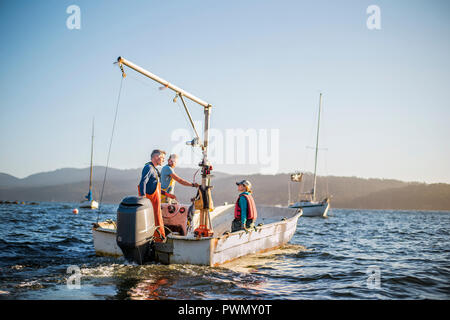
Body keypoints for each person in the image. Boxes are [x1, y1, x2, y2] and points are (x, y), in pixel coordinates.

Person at [138, 149, 174, 242]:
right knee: (153, 221)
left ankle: (159, 239)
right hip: (150, 203)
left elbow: (155, 187)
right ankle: (156, 240)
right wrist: (143, 198)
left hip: (156, 204)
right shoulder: (148, 168)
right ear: (156, 157)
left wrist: (167, 194)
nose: (163, 160)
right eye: (162, 158)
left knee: (158, 221)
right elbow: (143, 182)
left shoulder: (156, 170)